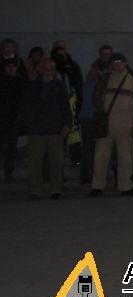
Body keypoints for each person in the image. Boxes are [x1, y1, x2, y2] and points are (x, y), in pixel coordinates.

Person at [90, 52, 133, 196]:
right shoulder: (105, 79)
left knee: (125, 157)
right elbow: (95, 97)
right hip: (106, 125)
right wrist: (101, 105)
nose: (118, 64)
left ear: (125, 63)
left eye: (120, 61)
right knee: (101, 156)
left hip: (126, 125)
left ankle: (125, 186)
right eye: (115, 61)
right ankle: (97, 185)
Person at [24, 58, 72, 199]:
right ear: (40, 70)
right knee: (35, 162)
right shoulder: (31, 86)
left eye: (52, 69)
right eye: (46, 69)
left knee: (57, 161)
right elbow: (26, 108)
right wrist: (31, 124)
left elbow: (65, 107)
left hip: (55, 129)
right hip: (37, 131)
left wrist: (66, 124)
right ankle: (35, 190)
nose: (49, 72)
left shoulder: (59, 86)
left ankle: (56, 189)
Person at [79, 44, 115, 185]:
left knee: (98, 148)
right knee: (90, 148)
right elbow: (91, 96)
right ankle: (88, 176)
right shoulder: (94, 73)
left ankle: (95, 175)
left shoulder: (107, 74)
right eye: (105, 54)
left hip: (97, 116)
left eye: (109, 54)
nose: (107, 57)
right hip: (91, 116)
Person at [0, 59, 23, 181]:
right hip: (2, 118)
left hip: (14, 118)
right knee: (4, 146)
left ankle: (8, 172)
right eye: (8, 66)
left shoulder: (20, 82)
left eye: (13, 66)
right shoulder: (2, 81)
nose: (10, 69)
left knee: (11, 147)